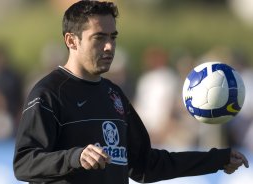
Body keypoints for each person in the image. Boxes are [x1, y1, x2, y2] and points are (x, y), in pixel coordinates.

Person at [13, 1, 249, 184]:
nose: (109, 46)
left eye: (112, 37)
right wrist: (75, 157)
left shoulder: (113, 94)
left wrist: (217, 159)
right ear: (72, 41)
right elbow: (23, 163)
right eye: (99, 38)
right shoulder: (49, 92)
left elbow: (146, 165)